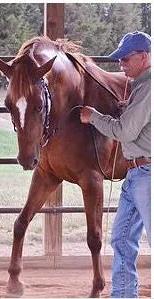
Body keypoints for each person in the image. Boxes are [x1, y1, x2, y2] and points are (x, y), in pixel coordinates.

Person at [80, 31, 151, 298]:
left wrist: (94, 117)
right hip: (136, 175)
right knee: (121, 239)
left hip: (146, 175)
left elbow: (125, 132)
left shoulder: (148, 87)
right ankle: (122, 295)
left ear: (144, 56)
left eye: (126, 58)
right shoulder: (141, 87)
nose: (121, 64)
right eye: (119, 59)